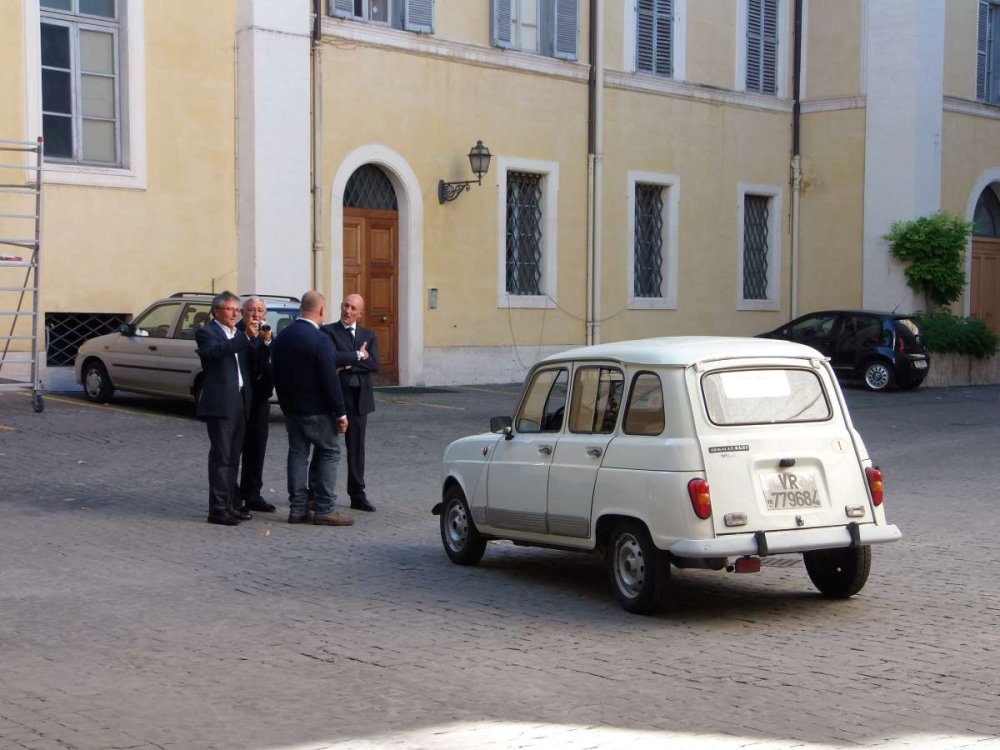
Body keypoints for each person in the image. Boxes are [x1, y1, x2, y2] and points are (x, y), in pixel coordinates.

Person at [270, 290, 354, 526]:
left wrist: (285, 405)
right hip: (317, 409)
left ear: (301, 309)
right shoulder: (320, 339)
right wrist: (341, 412)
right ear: (321, 311)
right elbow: (329, 379)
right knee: (331, 452)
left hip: (292, 408)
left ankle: (297, 509)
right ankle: (325, 508)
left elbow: (275, 373)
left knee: (297, 454)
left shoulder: (283, 336)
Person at [195, 291, 254, 526]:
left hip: (239, 401)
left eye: (237, 310)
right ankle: (217, 509)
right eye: (230, 309)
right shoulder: (207, 332)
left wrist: (259, 340)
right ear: (216, 311)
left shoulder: (237, 333)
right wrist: (243, 339)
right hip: (221, 403)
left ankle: (230, 503)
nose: (235, 314)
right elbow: (213, 354)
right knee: (221, 456)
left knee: (233, 457)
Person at [318, 293, 379, 512]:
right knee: (325, 446)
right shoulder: (328, 331)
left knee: (357, 449)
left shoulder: (368, 335)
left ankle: (357, 494)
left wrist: (350, 364)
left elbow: (374, 363)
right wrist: (358, 355)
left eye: (353, 308)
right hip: (335, 397)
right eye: (345, 306)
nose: (347, 311)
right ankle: (317, 491)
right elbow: (332, 357)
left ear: (360, 314)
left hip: (359, 399)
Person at [236, 296, 276, 513]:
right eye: (251, 310)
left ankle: (253, 493)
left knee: (257, 448)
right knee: (236, 448)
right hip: (241, 398)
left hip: (260, 399)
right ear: (243, 313)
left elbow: (270, 361)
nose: (256, 315)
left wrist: (268, 341)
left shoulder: (266, 333)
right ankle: (234, 496)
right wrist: (250, 337)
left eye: (260, 311)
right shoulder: (238, 332)